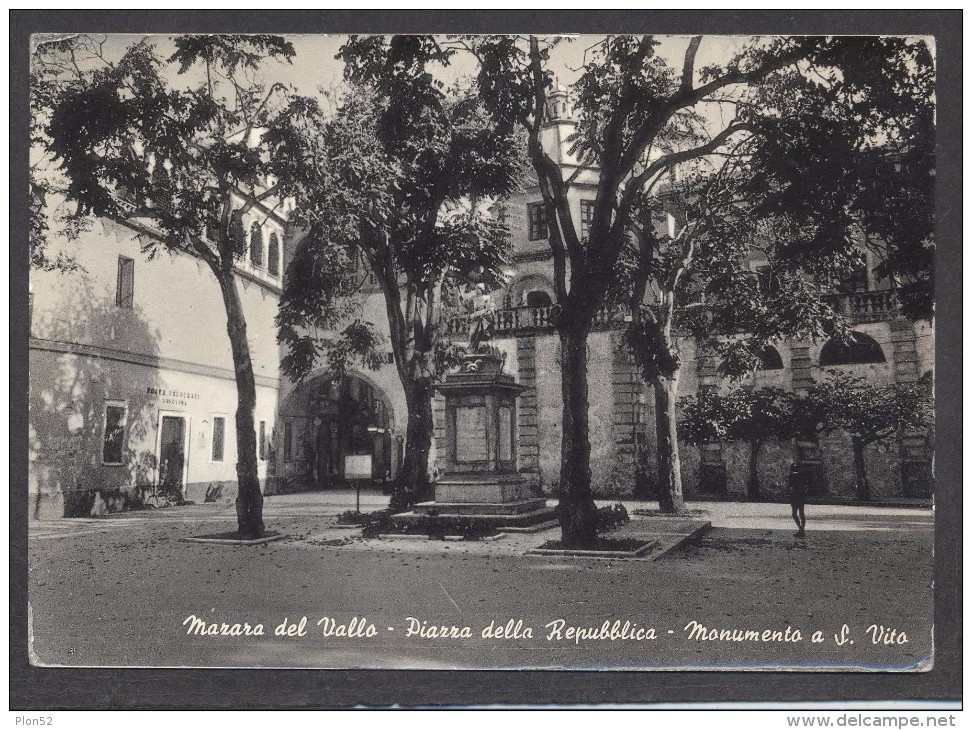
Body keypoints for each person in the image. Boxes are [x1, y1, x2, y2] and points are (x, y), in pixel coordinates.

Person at [789, 463, 808, 537]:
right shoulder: (802, 476)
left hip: (795, 496)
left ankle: (800, 529)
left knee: (794, 514)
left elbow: (790, 488)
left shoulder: (792, 476)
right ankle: (802, 529)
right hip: (801, 496)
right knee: (801, 513)